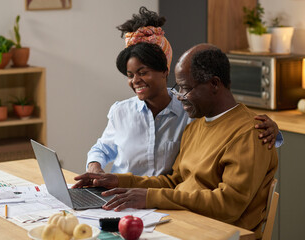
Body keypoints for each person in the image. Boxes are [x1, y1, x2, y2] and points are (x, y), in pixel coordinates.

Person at [74, 44, 278, 239]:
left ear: (214, 84)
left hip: (220, 233)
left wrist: (150, 198)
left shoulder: (251, 133)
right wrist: (119, 181)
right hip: (184, 222)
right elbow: (175, 181)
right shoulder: (195, 126)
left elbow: (228, 206)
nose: (179, 97)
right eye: (178, 88)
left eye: (185, 88)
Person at [86, 7, 281, 176]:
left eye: (142, 72)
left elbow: (230, 127)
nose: (135, 81)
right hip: (121, 199)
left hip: (169, 203)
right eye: (130, 75)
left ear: (165, 71)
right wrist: (95, 167)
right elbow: (102, 149)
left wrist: (273, 130)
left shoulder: (191, 110)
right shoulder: (121, 112)